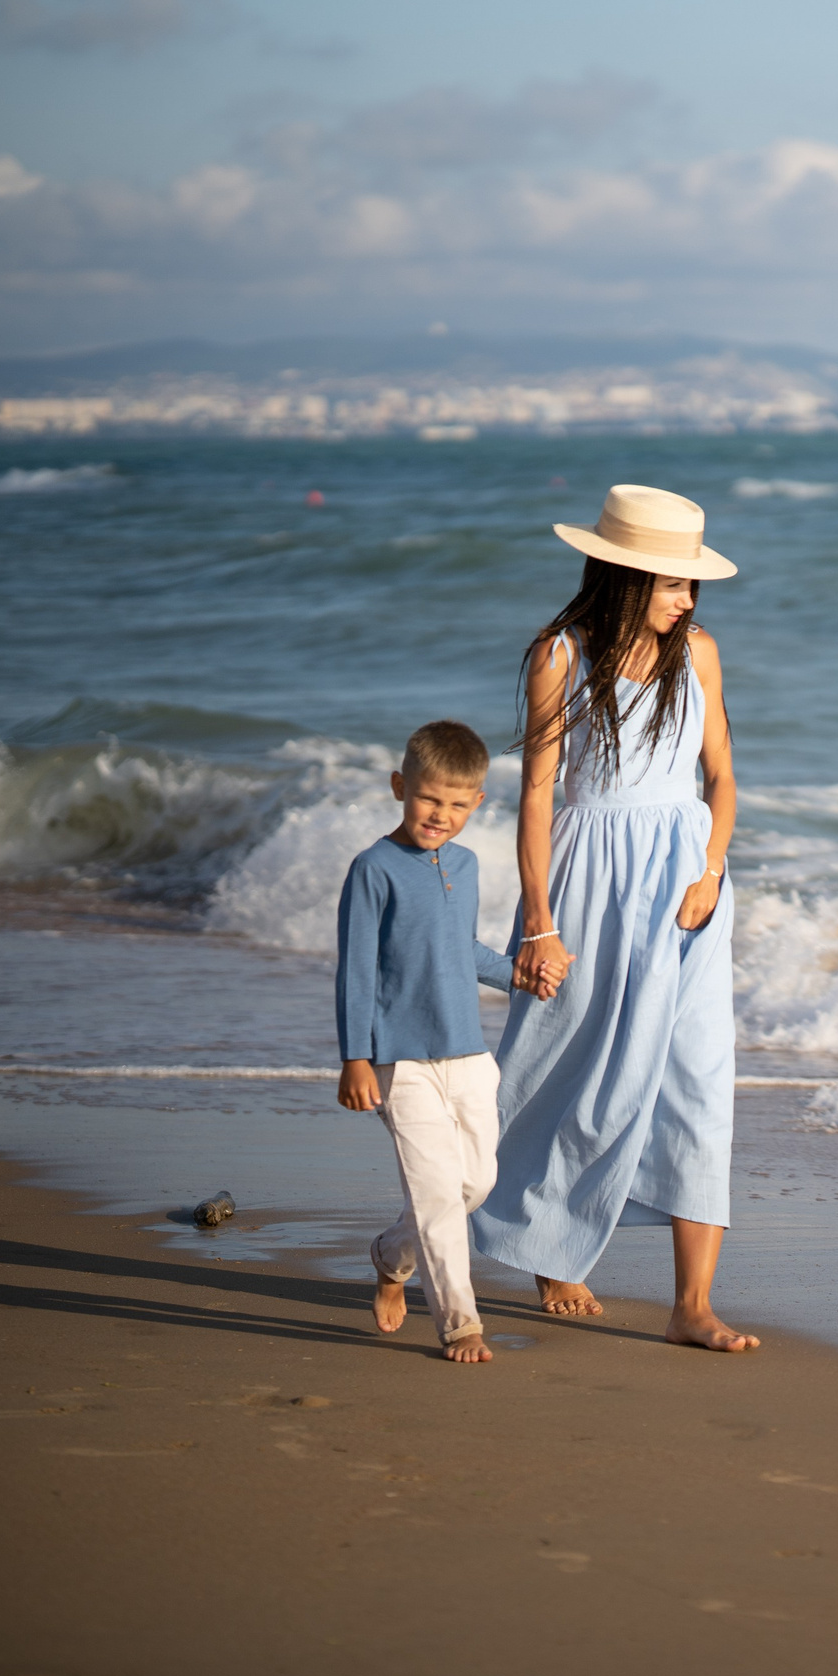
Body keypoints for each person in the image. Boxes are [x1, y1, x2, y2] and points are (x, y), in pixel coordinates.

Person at [467, 484, 758, 1353]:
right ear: (628, 575)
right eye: (674, 584)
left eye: (693, 585)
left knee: (699, 1079)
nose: (689, 600)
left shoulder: (698, 653)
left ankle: (692, 1303)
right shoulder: (562, 655)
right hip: (589, 875)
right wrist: (540, 920)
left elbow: (724, 778)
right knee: (569, 1065)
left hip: (688, 885)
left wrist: (710, 871)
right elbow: (540, 795)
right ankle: (542, 1242)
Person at [335, 719, 563, 1363]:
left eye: (459, 804)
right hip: (398, 1061)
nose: (442, 815)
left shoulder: (464, 864)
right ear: (400, 786)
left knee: (475, 1186)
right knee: (436, 1194)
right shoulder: (372, 869)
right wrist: (355, 1057)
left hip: (468, 1054)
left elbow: (459, 950)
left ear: (479, 804)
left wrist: (520, 973)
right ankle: (461, 1324)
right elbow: (355, 969)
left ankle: (390, 1256)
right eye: (431, 798)